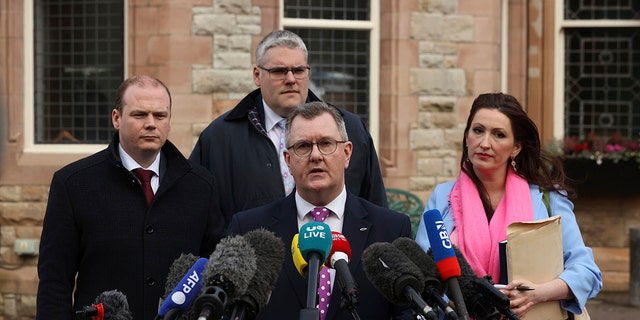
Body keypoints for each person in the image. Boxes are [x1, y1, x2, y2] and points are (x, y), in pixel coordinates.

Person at [36, 75, 226, 320]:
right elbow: (55, 279)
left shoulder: (201, 185)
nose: (151, 124)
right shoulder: (72, 184)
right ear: (117, 118)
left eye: (160, 116)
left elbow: (215, 270)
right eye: (139, 115)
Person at [415, 93, 602, 319]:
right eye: (478, 130)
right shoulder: (442, 198)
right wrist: (456, 302)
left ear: (515, 148)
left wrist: (536, 294)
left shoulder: (548, 198)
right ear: (466, 137)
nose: (485, 143)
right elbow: (423, 275)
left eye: (499, 135)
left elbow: (587, 271)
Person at [228, 101, 413, 320]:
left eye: (326, 143)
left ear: (347, 153)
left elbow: (405, 314)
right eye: (303, 146)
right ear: (288, 160)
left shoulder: (391, 229)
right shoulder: (248, 229)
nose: (316, 155)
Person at [190, 29, 387, 226]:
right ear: (257, 75)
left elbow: (375, 212)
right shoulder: (219, 138)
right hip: (255, 254)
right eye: (279, 71)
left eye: (299, 70)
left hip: (341, 254)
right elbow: (198, 216)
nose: (291, 79)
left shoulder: (350, 129)